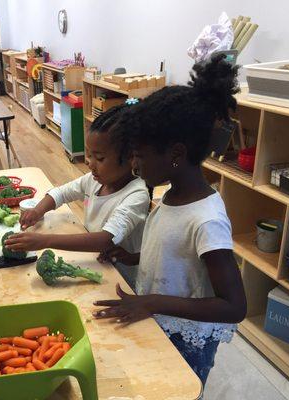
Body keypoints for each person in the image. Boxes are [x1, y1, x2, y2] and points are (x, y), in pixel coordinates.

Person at [93, 55, 247, 386]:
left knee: (180, 389)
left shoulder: (207, 221)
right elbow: (176, 253)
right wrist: (132, 256)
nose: (134, 164)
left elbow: (234, 306)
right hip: (159, 317)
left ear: (175, 154)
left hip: (187, 336)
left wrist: (151, 302)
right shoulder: (170, 194)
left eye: (140, 155)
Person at [5, 105, 150, 288]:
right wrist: (37, 210)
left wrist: (45, 241)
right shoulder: (95, 180)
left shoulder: (137, 195)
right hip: (94, 260)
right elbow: (62, 192)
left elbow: (106, 239)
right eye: (88, 154)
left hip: (121, 279)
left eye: (99, 158)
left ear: (131, 159)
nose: (89, 163)